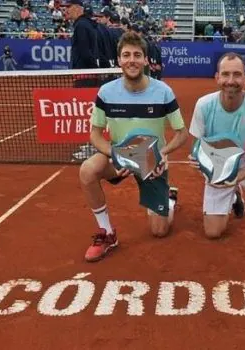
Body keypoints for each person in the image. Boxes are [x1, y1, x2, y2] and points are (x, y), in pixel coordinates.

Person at [80, 32, 188, 262]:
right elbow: (95, 135)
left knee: (159, 231)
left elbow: (182, 134)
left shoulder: (163, 91)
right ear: (119, 60)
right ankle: (107, 233)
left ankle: (168, 199)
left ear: (146, 60)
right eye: (126, 55)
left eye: (137, 55)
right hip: (119, 156)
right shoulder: (106, 92)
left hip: (152, 162)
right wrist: (116, 153)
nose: (132, 60)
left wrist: (162, 154)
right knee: (88, 170)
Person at [188, 52, 245, 271]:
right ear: (217, 78)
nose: (231, 81)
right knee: (212, 233)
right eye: (226, 74)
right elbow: (197, 148)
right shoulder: (203, 105)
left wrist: (237, 177)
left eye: (237, 75)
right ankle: (235, 197)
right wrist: (201, 163)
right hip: (218, 165)